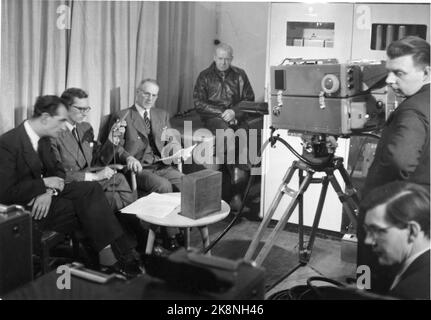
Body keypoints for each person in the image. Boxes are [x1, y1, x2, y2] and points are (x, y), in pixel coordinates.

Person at [0, 95, 142, 277]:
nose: (63, 127)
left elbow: (58, 172)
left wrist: (48, 191)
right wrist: (42, 184)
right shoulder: (8, 144)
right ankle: (115, 256)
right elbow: (5, 194)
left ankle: (111, 256)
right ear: (45, 118)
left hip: (46, 196)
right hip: (27, 209)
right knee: (88, 206)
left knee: (92, 190)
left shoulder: (42, 138)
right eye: (60, 121)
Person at [358, 36, 430, 292]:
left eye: (399, 73)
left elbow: (400, 162)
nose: (389, 80)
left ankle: (361, 293)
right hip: (420, 218)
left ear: (426, 72)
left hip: (391, 217)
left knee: (368, 272)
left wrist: (377, 201)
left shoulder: (412, 111)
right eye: (389, 72)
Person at [109, 79, 186, 250]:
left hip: (161, 165)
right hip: (139, 169)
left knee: (186, 182)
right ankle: (170, 236)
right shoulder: (122, 116)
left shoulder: (162, 115)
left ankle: (181, 228)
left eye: (154, 95)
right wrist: (128, 157)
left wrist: (176, 149)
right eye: (146, 93)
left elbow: (171, 139)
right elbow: (114, 146)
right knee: (163, 186)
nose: (150, 98)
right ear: (137, 93)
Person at [51, 88, 136, 212]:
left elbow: (98, 160)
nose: (85, 113)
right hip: (72, 186)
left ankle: (133, 226)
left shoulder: (85, 127)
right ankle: (140, 226)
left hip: (91, 181)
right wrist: (94, 176)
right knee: (118, 190)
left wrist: (112, 140)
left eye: (87, 109)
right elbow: (58, 175)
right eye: (80, 109)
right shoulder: (54, 134)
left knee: (118, 188)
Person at [193, 42, 255, 211]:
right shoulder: (204, 76)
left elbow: (249, 99)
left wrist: (234, 113)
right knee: (227, 135)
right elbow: (198, 103)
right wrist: (223, 113)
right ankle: (234, 197)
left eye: (227, 59)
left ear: (232, 59)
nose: (223, 62)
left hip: (236, 118)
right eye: (220, 58)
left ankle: (235, 195)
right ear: (214, 57)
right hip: (214, 118)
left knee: (243, 140)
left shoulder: (240, 75)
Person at [361, 181, 430, 299]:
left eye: (377, 230)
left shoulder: (408, 293)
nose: (368, 240)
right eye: (367, 230)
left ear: (412, 231)